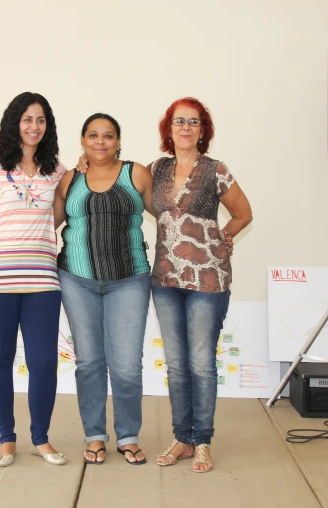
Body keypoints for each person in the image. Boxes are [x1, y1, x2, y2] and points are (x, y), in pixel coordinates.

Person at [149, 98, 252, 472]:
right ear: (169, 128)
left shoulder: (214, 169)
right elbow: (126, 189)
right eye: (179, 121)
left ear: (203, 130)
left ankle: (203, 440)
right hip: (164, 278)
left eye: (194, 122)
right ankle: (182, 438)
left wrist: (222, 239)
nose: (186, 128)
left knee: (201, 364)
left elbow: (244, 213)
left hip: (208, 279)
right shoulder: (156, 169)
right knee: (176, 365)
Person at [0, 92, 67, 468]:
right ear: (14, 122)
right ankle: (7, 438)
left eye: (40, 120)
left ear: (48, 126)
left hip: (42, 280)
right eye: (27, 119)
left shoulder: (56, 169)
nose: (34, 126)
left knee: (43, 362)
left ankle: (40, 437)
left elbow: (56, 216)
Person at [54, 113, 153, 465]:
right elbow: (46, 221)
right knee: (90, 363)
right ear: (82, 141)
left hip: (129, 279)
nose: (100, 142)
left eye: (108, 136)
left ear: (118, 142)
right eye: (93, 135)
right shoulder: (70, 178)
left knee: (126, 366)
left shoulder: (136, 173)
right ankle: (95, 435)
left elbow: (170, 216)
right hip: (76, 279)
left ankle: (128, 435)